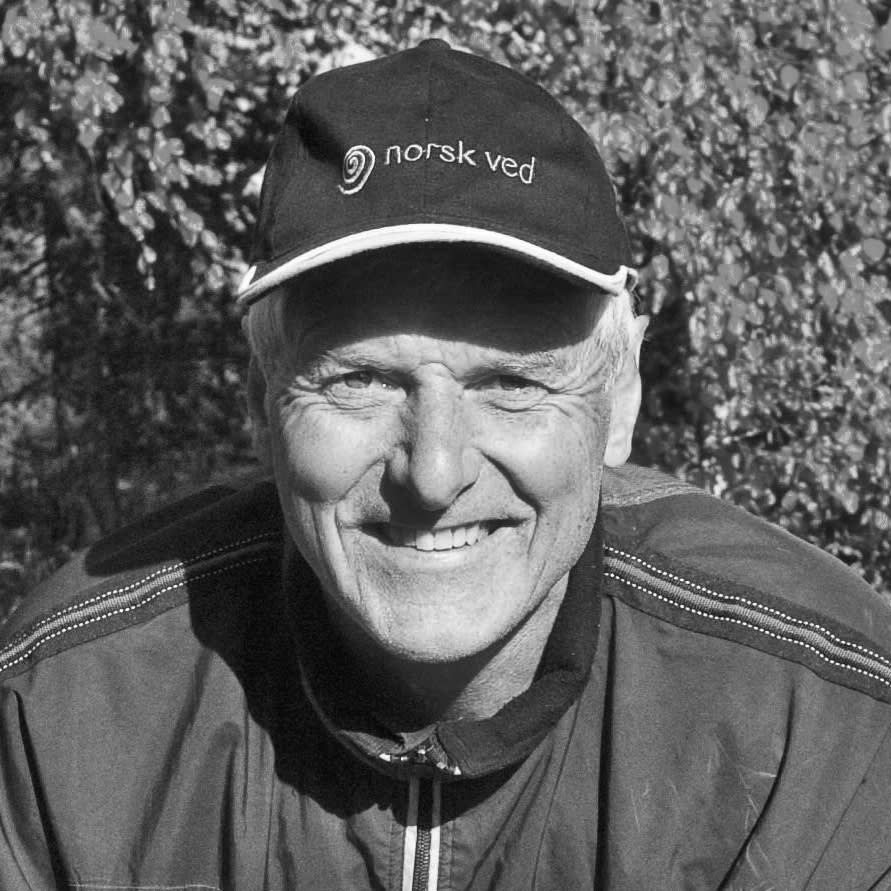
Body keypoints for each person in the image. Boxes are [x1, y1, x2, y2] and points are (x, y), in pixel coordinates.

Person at [1, 39, 890, 891]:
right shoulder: (67, 712)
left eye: (510, 384)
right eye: (358, 381)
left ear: (617, 402)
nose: (433, 474)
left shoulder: (820, 721)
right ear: (261, 406)